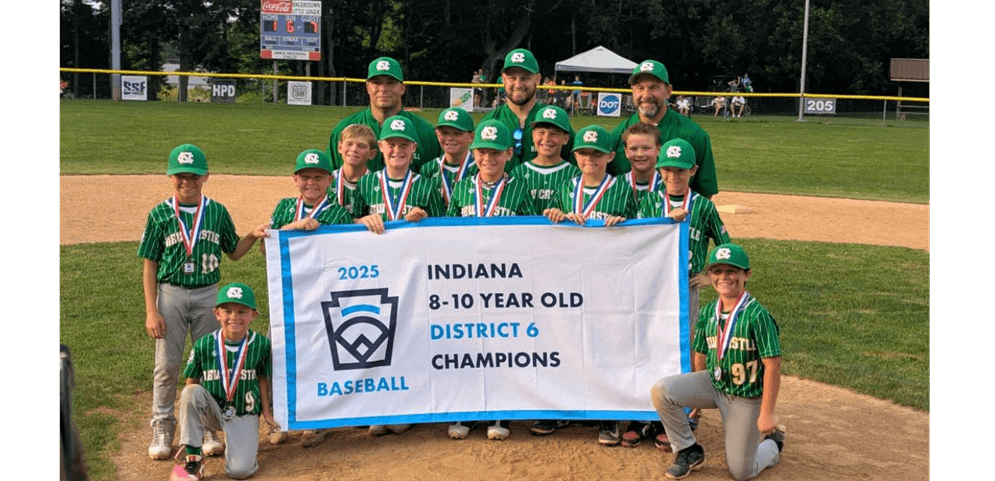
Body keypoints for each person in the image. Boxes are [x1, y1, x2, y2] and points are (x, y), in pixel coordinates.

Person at [140, 144, 264, 461]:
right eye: (180, 176)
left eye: (194, 176)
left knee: (212, 363)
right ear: (171, 176)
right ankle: (162, 426)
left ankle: (207, 427)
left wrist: (252, 235)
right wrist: (152, 310)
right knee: (167, 365)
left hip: (209, 294)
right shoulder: (159, 214)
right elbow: (150, 264)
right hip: (171, 293)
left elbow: (233, 252)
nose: (187, 182)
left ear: (205, 176)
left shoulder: (217, 211)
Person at [650, 244, 785, 480]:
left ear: (746, 274)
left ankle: (773, 443)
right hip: (714, 385)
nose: (724, 277)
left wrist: (766, 413)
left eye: (732, 271)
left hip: (745, 396)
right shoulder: (708, 312)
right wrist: (697, 400)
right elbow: (700, 355)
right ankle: (688, 450)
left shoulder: (758, 316)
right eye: (717, 271)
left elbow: (773, 365)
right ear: (710, 275)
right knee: (661, 391)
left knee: (742, 472)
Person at [444, 120, 539, 440]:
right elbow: (447, 233)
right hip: (468, 283)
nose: (488, 159)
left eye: (496, 153)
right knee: (469, 346)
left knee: (504, 346)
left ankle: (501, 410)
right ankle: (468, 410)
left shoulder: (519, 188)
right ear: (473, 153)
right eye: (482, 152)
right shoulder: (462, 187)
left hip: (506, 284)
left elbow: (533, 233)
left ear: (509, 154)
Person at [544, 124, 636, 445]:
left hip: (606, 283)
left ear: (610, 156)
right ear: (575, 155)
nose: (589, 159)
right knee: (567, 342)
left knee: (605, 345)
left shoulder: (621, 189)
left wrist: (624, 223)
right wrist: (554, 214)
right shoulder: (565, 187)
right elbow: (548, 229)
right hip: (569, 282)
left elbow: (639, 234)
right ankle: (563, 407)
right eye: (583, 153)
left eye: (596, 154)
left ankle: (607, 414)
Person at [170, 283, 276, 481]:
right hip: (213, 411)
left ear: (253, 315)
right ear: (217, 314)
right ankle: (193, 460)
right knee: (191, 392)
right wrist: (191, 418)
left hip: (244, 413)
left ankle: (241, 447)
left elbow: (263, 379)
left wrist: (267, 413)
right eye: (227, 311)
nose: (234, 317)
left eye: (242, 311)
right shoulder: (204, 344)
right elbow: (191, 383)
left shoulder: (261, 344)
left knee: (240, 472)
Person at [607, 60, 718, 199]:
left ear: (668, 91)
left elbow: (705, 191)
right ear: (633, 91)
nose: (646, 95)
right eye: (640, 88)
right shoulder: (617, 136)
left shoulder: (694, 135)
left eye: (653, 88)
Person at [326, 57, 441, 174]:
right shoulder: (343, 130)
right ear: (367, 87)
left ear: (402, 88)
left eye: (390, 83)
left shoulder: (426, 133)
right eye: (376, 83)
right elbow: (329, 179)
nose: (383, 89)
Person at [353, 114, 446, 237]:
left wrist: (425, 218)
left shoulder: (427, 186)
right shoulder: (366, 183)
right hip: (376, 247)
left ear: (413, 147)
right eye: (391, 144)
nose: (397, 150)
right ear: (381, 146)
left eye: (404, 145)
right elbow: (349, 221)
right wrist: (362, 220)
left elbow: (441, 228)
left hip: (412, 247)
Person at [483, 48, 569, 170]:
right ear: (504, 79)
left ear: (538, 79)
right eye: (512, 78)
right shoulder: (490, 122)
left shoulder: (555, 120)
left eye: (525, 78)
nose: (518, 85)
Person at [510, 105, 580, 215]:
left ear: (565, 139)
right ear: (533, 136)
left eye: (554, 134)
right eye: (541, 132)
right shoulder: (518, 173)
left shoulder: (575, 175)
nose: (546, 139)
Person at [419, 108, 478, 207]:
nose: (450, 138)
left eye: (457, 133)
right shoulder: (428, 169)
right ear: (437, 134)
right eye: (444, 133)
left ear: (471, 137)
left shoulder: (480, 168)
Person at [330, 124, 378, 218]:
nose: (354, 149)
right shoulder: (327, 182)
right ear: (340, 147)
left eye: (361, 146)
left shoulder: (377, 184)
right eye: (349, 144)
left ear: (372, 154)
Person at [619, 121, 663, 206]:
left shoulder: (668, 186)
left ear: (658, 150)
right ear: (626, 152)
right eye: (633, 149)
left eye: (646, 148)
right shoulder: (615, 185)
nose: (640, 154)